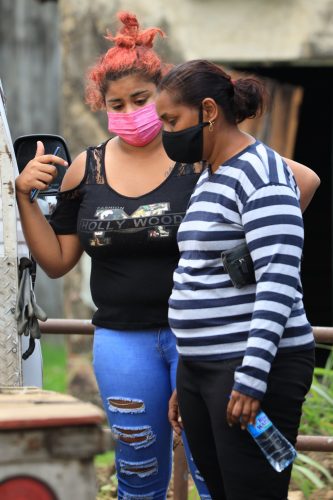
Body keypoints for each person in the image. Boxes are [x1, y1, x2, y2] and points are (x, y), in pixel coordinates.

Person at [15, 13, 318, 500]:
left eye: (142, 101)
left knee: (212, 468)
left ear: (164, 99)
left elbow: (298, 184)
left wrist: (247, 248)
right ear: (102, 107)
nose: (131, 112)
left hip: (211, 345)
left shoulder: (204, 155)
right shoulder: (86, 168)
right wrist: (24, 198)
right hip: (130, 337)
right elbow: (56, 261)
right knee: (138, 469)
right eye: (116, 105)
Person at [155, 59, 316, 500]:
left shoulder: (260, 174)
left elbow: (278, 280)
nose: (165, 132)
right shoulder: (209, 174)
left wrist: (250, 378)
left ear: (208, 111)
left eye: (172, 120)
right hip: (204, 370)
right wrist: (188, 376)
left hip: (249, 368)